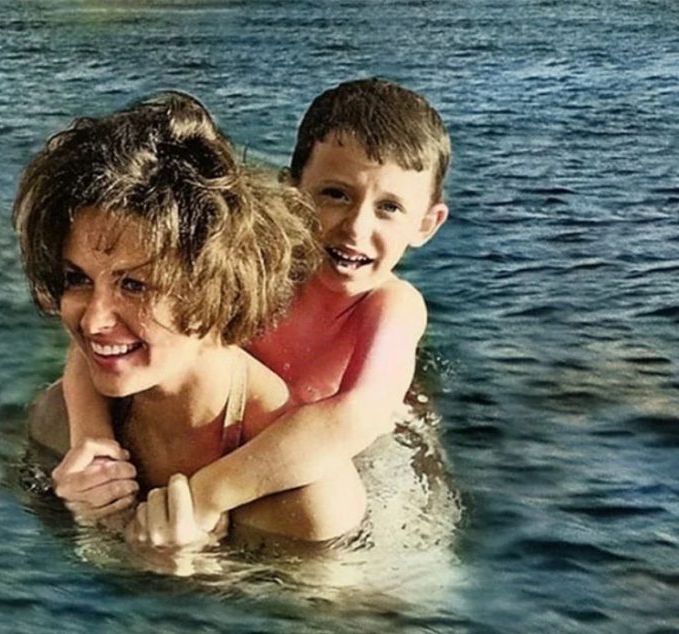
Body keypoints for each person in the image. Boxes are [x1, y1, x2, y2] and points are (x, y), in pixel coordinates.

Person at [56, 78, 451, 546]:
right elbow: (98, 340)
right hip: (248, 419)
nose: (356, 227)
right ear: (292, 191)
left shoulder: (390, 306)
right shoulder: (263, 263)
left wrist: (207, 495)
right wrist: (92, 440)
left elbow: (352, 417)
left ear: (426, 224)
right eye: (335, 194)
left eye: (389, 208)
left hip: (340, 445)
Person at [14, 91, 367, 544]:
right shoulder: (58, 422)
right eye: (76, 278)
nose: (94, 321)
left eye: (134, 285)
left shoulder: (309, 502)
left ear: (217, 285)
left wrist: (201, 571)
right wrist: (92, 526)